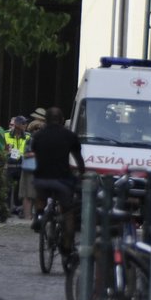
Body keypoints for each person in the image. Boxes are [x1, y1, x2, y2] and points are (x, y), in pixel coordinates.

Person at [30, 106, 87, 253]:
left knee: (40, 195)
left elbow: (36, 152)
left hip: (41, 179)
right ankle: (67, 246)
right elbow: (78, 159)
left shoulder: (38, 136)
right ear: (62, 120)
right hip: (62, 180)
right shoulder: (69, 136)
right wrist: (81, 173)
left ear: (46, 121)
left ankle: (40, 215)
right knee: (68, 212)